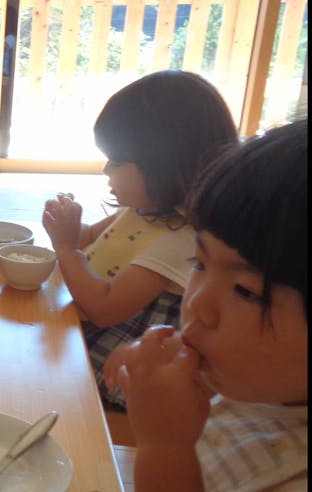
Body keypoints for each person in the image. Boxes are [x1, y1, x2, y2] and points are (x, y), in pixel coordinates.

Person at [105, 119, 307, 492]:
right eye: (200, 262)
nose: (197, 304)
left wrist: (164, 447)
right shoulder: (258, 380)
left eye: (246, 291)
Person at [42, 70, 238, 410]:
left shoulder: (183, 238)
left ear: (164, 166)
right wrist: (68, 226)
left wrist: (66, 247)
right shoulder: (147, 208)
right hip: (82, 319)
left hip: (117, 355)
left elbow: (103, 308)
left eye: (116, 162)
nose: (106, 171)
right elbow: (91, 238)